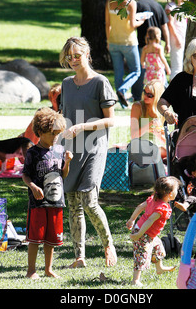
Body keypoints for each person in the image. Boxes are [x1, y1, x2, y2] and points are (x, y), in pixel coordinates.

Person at [59, 36, 118, 268]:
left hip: (94, 147)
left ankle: (108, 244)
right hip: (71, 149)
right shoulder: (66, 83)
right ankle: (79, 257)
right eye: (69, 56)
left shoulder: (100, 82)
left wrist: (82, 127)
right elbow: (65, 116)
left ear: (87, 54)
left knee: (89, 201)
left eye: (77, 55)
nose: (73, 60)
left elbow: (111, 121)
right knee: (73, 202)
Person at [22, 107, 73, 279]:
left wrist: (67, 163)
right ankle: (31, 270)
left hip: (56, 201)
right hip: (38, 202)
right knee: (36, 238)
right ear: (40, 132)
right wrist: (33, 187)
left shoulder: (59, 150)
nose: (55, 137)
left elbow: (62, 175)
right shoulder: (32, 152)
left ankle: (48, 269)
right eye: (52, 134)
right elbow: (25, 175)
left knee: (51, 238)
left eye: (58, 134)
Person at [126, 176, 180, 287]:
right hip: (143, 233)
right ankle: (135, 280)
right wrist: (139, 234)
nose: (177, 192)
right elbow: (150, 221)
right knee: (141, 256)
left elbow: (140, 207)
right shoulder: (161, 208)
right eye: (176, 190)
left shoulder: (153, 199)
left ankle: (159, 269)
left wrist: (132, 219)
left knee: (158, 248)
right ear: (169, 193)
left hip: (147, 233)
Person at [105, 0, 145, 108]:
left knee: (118, 72)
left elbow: (107, 24)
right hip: (128, 42)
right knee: (136, 71)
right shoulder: (131, 3)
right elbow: (132, 24)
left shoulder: (109, 2)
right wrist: (141, 21)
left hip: (113, 41)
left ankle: (123, 104)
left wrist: (108, 41)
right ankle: (122, 90)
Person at [131, 0, 170, 101]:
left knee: (141, 71)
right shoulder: (158, 6)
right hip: (157, 45)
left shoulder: (138, 5)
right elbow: (164, 26)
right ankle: (163, 97)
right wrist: (167, 43)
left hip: (142, 44)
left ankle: (138, 96)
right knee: (159, 74)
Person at [130, 79, 166, 159]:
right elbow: (134, 135)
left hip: (156, 147)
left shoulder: (161, 111)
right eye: (144, 92)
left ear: (157, 96)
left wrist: (158, 134)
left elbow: (165, 141)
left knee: (174, 152)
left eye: (149, 95)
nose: (145, 96)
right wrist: (149, 126)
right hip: (140, 146)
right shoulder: (138, 107)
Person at [165, 0, 187, 81]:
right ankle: (174, 85)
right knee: (177, 63)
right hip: (175, 36)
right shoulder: (170, 6)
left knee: (183, 63)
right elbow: (170, 24)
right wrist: (177, 38)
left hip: (183, 35)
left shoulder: (183, 7)